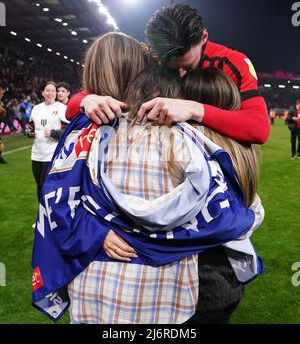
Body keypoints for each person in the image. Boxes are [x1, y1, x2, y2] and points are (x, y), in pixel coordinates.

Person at [32, 33, 263, 324]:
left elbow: (57, 202)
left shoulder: (87, 133)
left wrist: (95, 231)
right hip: (168, 297)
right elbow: (238, 213)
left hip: (95, 293)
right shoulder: (187, 145)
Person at [66, 3, 269, 146]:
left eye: (188, 66)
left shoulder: (232, 62)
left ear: (204, 37)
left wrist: (194, 109)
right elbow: (72, 108)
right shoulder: (151, 55)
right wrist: (88, 100)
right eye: (170, 68)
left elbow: (259, 128)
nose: (180, 74)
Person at [28, 81, 69, 201]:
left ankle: (49, 214)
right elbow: (30, 125)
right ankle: (42, 214)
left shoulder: (62, 108)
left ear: (56, 93)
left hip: (52, 153)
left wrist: (53, 133)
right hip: (36, 153)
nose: (50, 93)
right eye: (47, 90)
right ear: (42, 92)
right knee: (39, 186)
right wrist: (29, 132)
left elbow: (70, 130)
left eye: (53, 90)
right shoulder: (36, 108)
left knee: (46, 186)